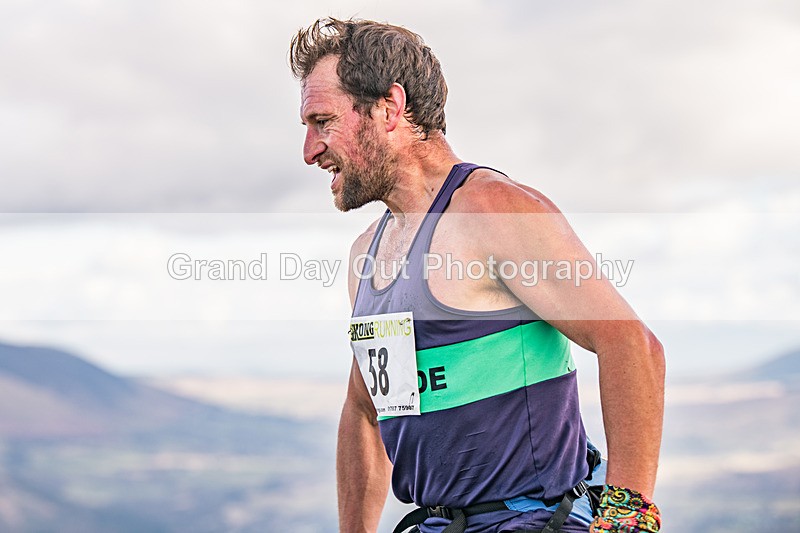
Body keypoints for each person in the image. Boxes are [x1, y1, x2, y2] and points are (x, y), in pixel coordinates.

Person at [289, 18, 665, 533]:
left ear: (389, 107)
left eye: (323, 122)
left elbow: (631, 344)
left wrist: (627, 518)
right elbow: (365, 412)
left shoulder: (492, 211)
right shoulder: (366, 257)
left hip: (533, 521)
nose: (309, 150)